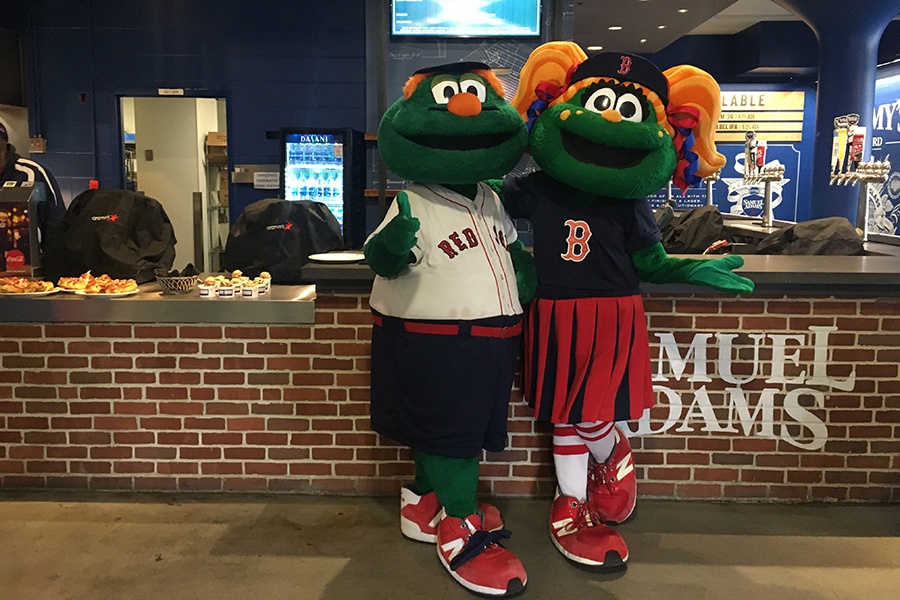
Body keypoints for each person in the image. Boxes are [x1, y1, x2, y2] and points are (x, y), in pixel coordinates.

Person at [503, 42, 754, 570]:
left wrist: (691, 268)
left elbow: (651, 262)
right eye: (597, 105)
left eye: (629, 110)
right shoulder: (538, 187)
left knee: (592, 415)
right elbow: (491, 195)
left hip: (610, 314)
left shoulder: (630, 202)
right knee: (564, 416)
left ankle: (612, 454)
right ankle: (569, 501)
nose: (613, 119)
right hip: (552, 313)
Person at [364, 61, 534, 597]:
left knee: (461, 430)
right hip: (432, 343)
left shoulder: (489, 198)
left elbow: (511, 252)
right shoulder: (412, 200)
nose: (466, 108)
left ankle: (423, 502)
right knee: (452, 436)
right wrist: (393, 244)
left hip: (486, 344)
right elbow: (383, 257)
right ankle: (460, 530)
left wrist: (533, 277)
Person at [0, 121, 67, 249]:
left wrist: (49, 261)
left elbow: (55, 221)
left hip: (23, 261)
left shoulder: (31, 174)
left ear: (4, 144)